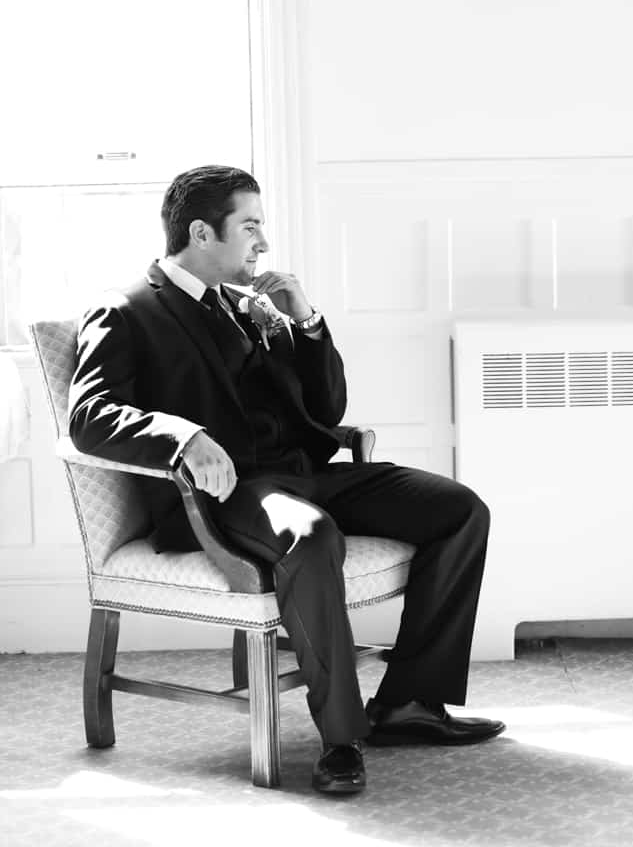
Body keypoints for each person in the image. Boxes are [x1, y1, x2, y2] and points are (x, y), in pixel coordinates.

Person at [69, 164, 505, 795]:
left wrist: (304, 320)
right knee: (311, 535)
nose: (263, 243)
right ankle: (340, 739)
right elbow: (90, 415)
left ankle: (410, 704)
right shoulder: (126, 310)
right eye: (250, 226)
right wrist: (182, 436)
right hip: (226, 495)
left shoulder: (250, 304)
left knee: (459, 509)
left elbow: (325, 410)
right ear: (201, 232)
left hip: (304, 473)